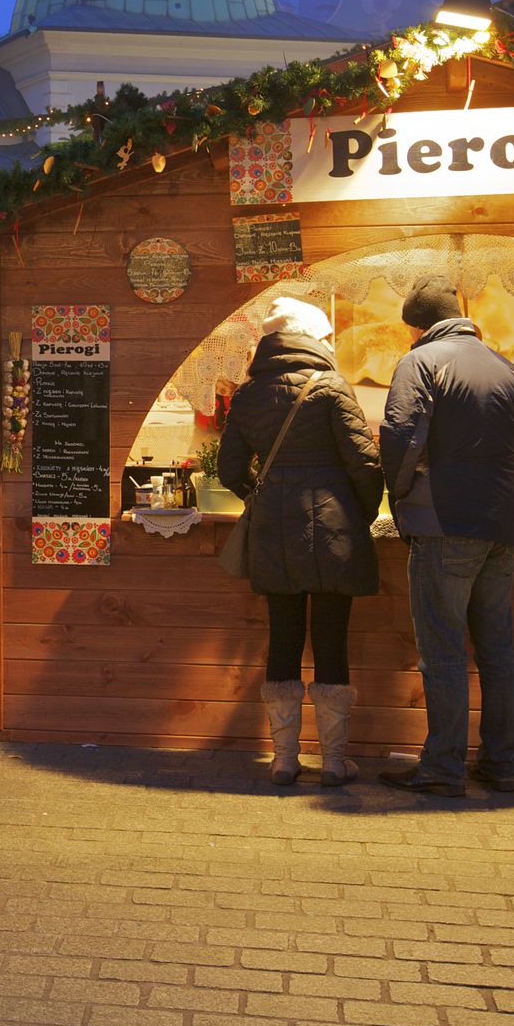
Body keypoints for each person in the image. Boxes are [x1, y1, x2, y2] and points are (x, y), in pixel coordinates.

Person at [379, 275, 514, 797]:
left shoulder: (420, 363)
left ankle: (442, 768)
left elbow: (403, 440)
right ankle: (501, 764)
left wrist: (401, 496)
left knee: (444, 651)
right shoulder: (507, 367)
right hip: (501, 525)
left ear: (415, 326)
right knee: (498, 650)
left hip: (445, 524)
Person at [218, 298, 383, 786]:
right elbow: (366, 463)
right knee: (332, 637)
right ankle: (333, 761)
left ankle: (284, 759)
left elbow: (229, 469)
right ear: (314, 339)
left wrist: (262, 497)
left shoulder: (248, 395)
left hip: (274, 533)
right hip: (335, 530)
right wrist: (359, 513)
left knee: (283, 636)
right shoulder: (330, 387)